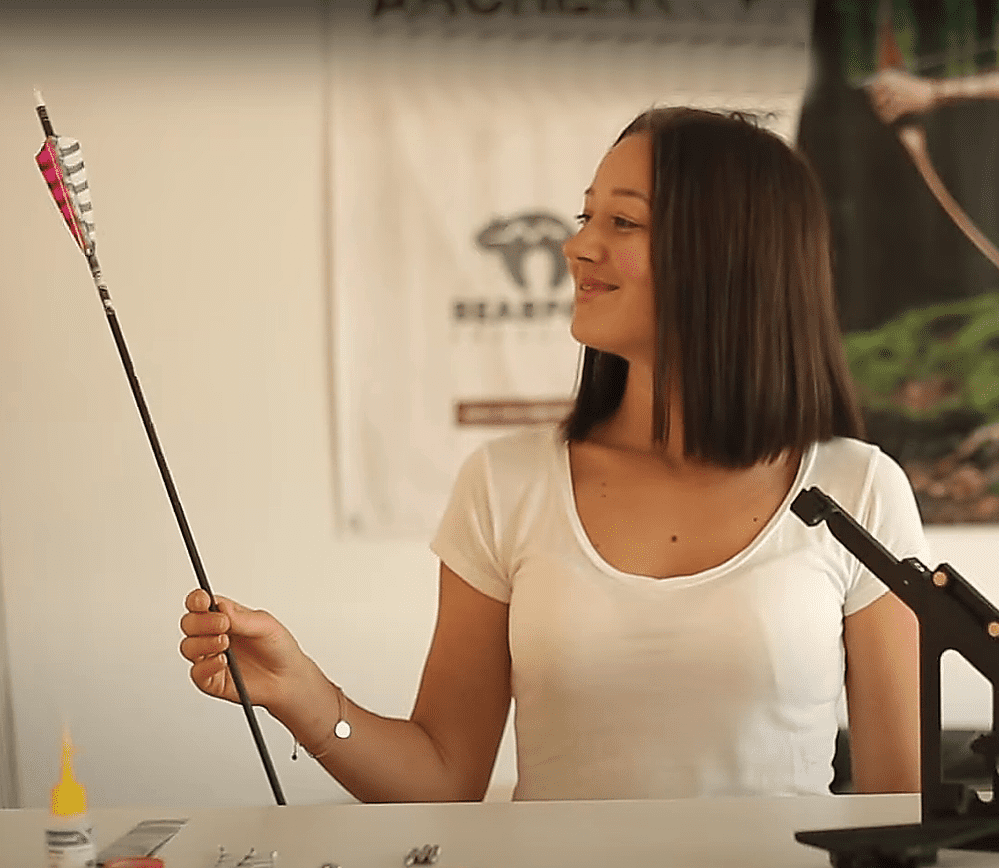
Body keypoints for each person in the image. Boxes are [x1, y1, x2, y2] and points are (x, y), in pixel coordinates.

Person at [179, 107, 927, 803]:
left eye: (622, 221)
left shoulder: (858, 489)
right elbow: (443, 778)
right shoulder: (505, 484)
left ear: (728, 254)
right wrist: (305, 696)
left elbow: (902, 804)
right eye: (585, 216)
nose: (576, 246)